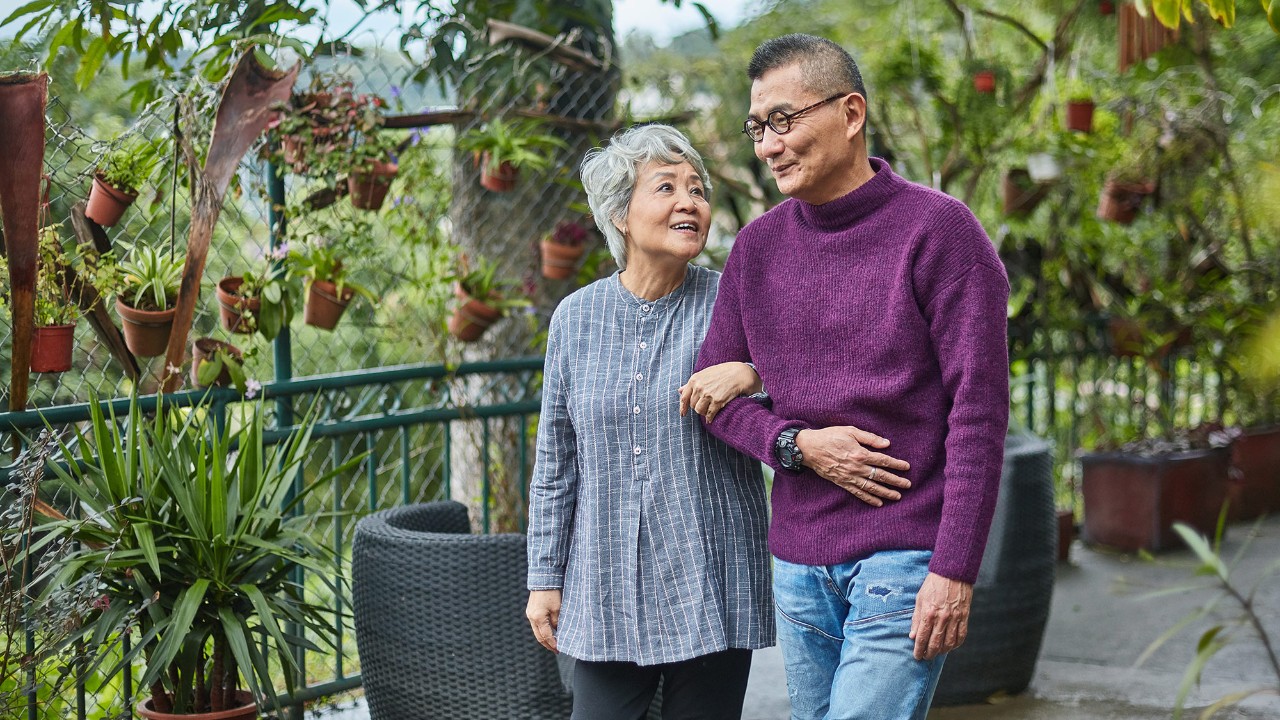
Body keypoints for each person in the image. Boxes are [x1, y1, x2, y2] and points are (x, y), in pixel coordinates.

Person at [681, 34, 1010, 720]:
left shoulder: (940, 233)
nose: (767, 145)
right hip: (799, 563)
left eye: (783, 120)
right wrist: (797, 446)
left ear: (851, 113)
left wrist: (953, 570)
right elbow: (712, 396)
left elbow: (978, 415)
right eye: (757, 127)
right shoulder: (759, 247)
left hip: (904, 554)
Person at [525, 124, 774, 720]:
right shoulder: (575, 319)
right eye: (667, 187)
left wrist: (752, 372)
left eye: (698, 189)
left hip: (709, 572)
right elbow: (556, 464)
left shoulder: (734, 302)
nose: (690, 201)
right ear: (620, 214)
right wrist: (544, 578)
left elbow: (807, 382)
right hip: (605, 578)